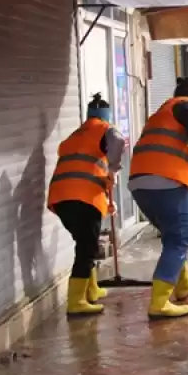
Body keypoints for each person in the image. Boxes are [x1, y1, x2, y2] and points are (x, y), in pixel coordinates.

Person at [129, 77, 188, 320]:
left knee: (173, 236)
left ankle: (183, 282)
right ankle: (159, 302)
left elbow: (178, 161)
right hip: (165, 185)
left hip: (139, 183)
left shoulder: (162, 118)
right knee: (180, 238)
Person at [47, 93, 126, 317]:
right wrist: (113, 168)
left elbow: (82, 167)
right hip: (82, 197)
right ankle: (76, 301)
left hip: (60, 198)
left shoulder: (74, 136)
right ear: (106, 116)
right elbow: (119, 141)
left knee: (85, 242)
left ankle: (91, 289)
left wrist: (108, 199)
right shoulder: (104, 130)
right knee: (87, 247)